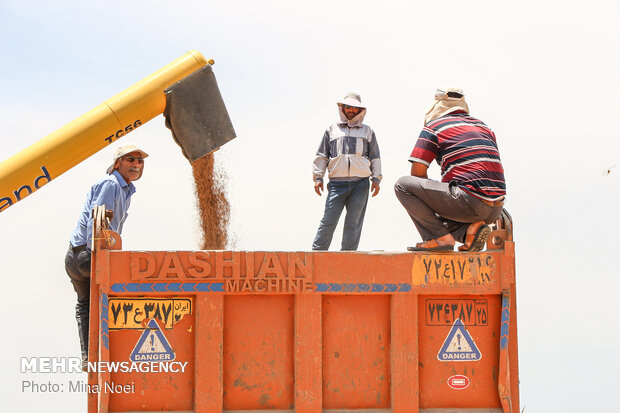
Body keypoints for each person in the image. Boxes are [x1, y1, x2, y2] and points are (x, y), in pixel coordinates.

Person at [65, 143, 148, 369]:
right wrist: (100, 257)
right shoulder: (111, 184)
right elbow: (97, 220)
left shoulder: (126, 190)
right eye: (130, 159)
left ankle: (89, 357)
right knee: (117, 295)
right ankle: (115, 352)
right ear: (117, 163)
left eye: (140, 161)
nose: (136, 164)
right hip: (87, 253)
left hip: (76, 254)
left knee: (85, 305)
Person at [394, 86, 506, 252]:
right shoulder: (484, 127)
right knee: (435, 217)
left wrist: (431, 200)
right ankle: (470, 231)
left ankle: (438, 238)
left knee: (403, 185)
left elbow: (417, 172)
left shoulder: (435, 126)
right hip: (496, 209)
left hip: (469, 201)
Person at [312, 93, 382, 251]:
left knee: (354, 222)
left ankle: (348, 256)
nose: (350, 110)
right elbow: (322, 155)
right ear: (342, 109)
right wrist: (318, 177)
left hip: (360, 184)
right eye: (348, 107)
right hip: (337, 184)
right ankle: (316, 254)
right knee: (329, 220)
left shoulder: (367, 131)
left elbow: (375, 156)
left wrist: (376, 179)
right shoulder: (332, 130)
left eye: (354, 107)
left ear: (360, 110)